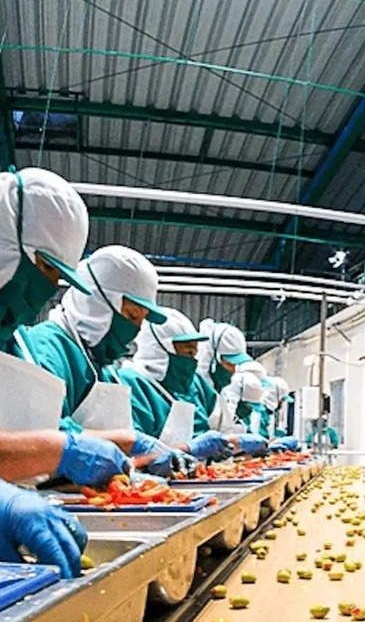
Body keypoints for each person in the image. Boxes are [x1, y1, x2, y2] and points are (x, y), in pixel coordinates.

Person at [0, 167, 113, 574]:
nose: (48, 289)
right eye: (46, 270)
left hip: (15, 571)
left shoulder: (16, 342)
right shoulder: (47, 345)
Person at [20, 244, 194, 477]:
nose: (134, 329)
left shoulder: (105, 368)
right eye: (131, 316)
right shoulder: (48, 347)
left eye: (140, 321)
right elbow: (42, 434)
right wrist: (128, 441)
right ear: (96, 301)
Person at [117, 306, 230, 460]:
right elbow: (128, 452)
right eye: (187, 351)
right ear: (158, 349)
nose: (192, 359)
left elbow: (221, 426)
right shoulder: (131, 383)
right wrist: (189, 449)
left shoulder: (195, 383)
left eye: (195, 352)